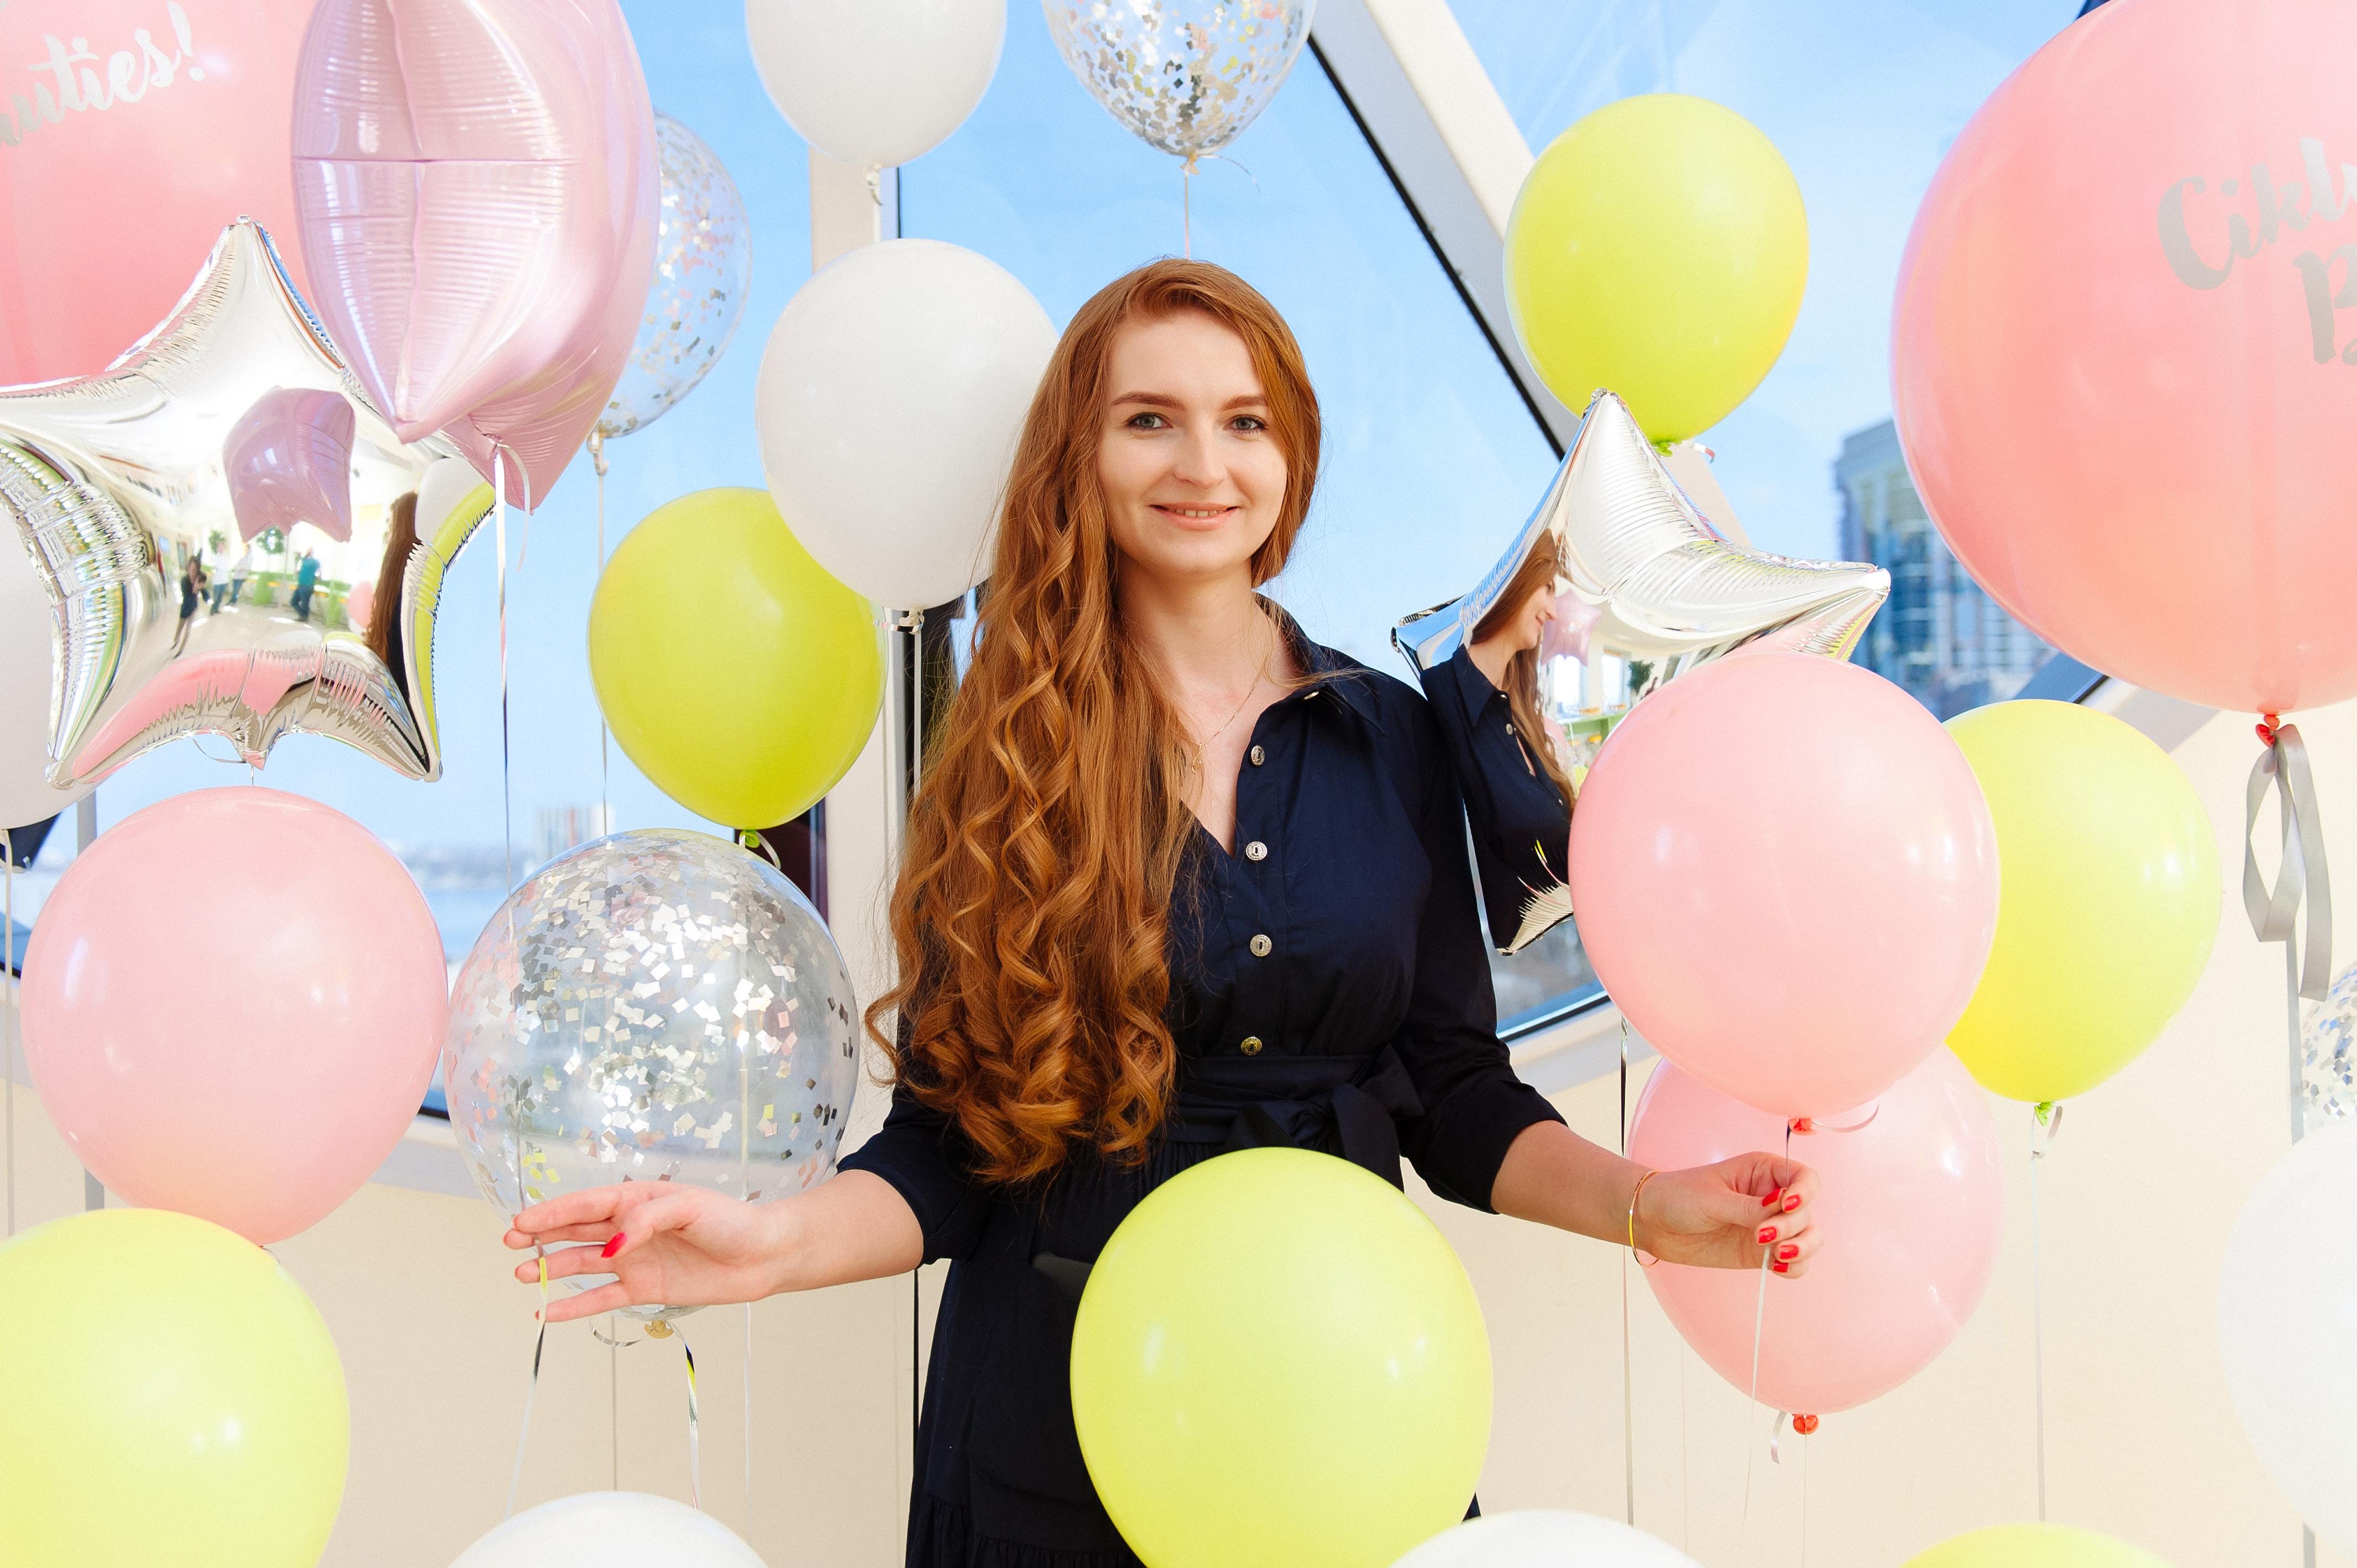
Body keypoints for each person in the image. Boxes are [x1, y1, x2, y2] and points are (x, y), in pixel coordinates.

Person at [505, 261, 1822, 1567]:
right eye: (1150, 418)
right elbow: (950, 1147)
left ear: (1290, 455)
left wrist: (1649, 1203)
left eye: (1244, 420)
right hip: (1052, 1423)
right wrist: (770, 1247)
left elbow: (1455, 1092)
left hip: (1343, 1401)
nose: (1204, 461)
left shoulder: (1394, 736)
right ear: (1082, 450)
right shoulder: (1004, 756)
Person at [1419, 543, 1577, 952]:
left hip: (1555, 946)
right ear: (1513, 583)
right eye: (1546, 587)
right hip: (1493, 964)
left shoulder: (1521, 716)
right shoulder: (1439, 700)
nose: (1554, 611)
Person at [364, 492, 417, 698]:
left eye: (391, 528)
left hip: (393, 681)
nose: (387, 536)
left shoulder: (400, 561)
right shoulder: (419, 564)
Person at [215, 539, 255, 610]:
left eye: (247, 548)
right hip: (236, 576)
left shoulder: (250, 557)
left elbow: (247, 567)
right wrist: (237, 567)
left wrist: (241, 568)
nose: (246, 550)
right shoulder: (244, 556)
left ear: (249, 549)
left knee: (236, 591)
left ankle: (233, 601)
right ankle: (232, 601)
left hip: (242, 577)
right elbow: (238, 564)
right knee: (234, 590)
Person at [291, 547, 319, 621]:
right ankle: (304, 615)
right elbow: (301, 568)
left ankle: (304, 617)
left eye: (310, 550)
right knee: (293, 602)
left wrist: (317, 577)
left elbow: (319, 572)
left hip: (308, 585)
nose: (308, 551)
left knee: (305, 603)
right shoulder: (304, 560)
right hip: (301, 584)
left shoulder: (315, 561)